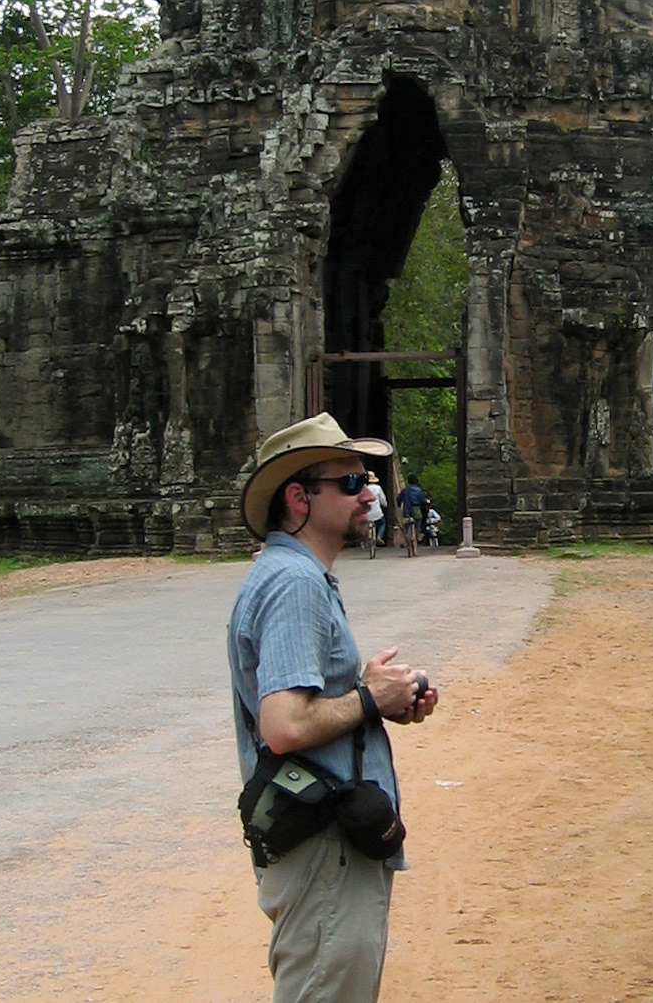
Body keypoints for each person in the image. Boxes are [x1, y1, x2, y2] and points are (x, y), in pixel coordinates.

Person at [228, 413, 439, 1002]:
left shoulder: (300, 576)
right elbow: (285, 723)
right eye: (350, 483)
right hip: (324, 846)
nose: (369, 493)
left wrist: (378, 696)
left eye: (367, 480)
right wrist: (371, 698)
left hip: (327, 839)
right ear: (299, 497)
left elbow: (309, 705)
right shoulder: (294, 583)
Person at [397, 473, 426, 541]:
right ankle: (417, 534)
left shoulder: (404, 490)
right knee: (418, 521)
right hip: (416, 509)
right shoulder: (419, 490)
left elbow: (399, 499)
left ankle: (404, 537)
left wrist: (398, 504)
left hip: (406, 510)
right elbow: (422, 500)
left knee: (406, 524)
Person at [366, 470, 388, 546]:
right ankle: (379, 536)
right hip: (377, 512)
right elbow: (383, 500)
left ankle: (368, 535)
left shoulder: (364, 488)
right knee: (382, 523)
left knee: (366, 523)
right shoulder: (378, 488)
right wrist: (385, 505)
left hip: (367, 513)